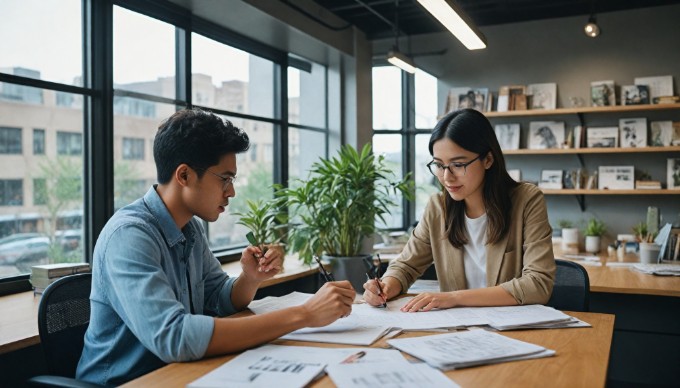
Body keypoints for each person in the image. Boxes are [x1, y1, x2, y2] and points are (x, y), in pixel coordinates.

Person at [76, 108, 355, 385]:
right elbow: (174, 338)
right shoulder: (130, 236)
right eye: (225, 178)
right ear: (184, 176)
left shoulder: (190, 227)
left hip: (183, 374)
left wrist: (250, 279)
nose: (231, 191)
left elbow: (218, 299)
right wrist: (304, 314)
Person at [363, 108, 555, 312]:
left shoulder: (526, 200)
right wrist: (386, 286)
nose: (447, 177)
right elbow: (406, 266)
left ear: (488, 160)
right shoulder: (438, 207)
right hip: (456, 331)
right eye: (439, 165)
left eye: (458, 164)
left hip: (514, 330)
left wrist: (454, 298)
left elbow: (538, 284)